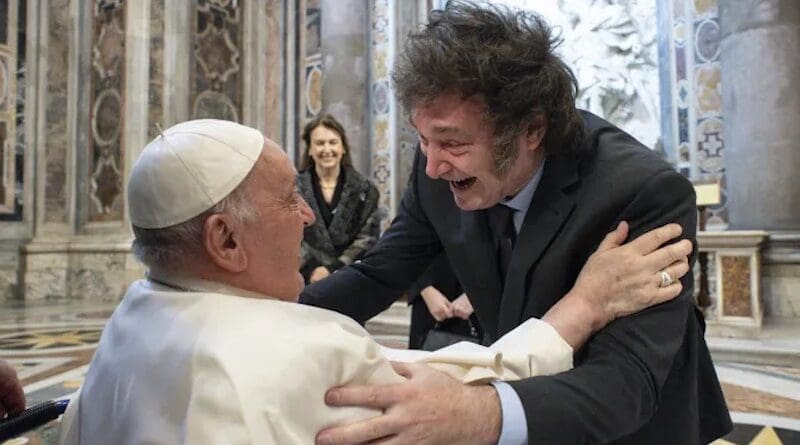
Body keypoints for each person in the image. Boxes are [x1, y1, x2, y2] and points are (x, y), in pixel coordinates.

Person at [57, 119, 691, 444]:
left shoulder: (131, 318)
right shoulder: (301, 351)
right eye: (287, 200)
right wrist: (581, 306)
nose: (306, 214)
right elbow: (461, 386)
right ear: (226, 240)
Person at [300, 2, 732, 444]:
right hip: (522, 405)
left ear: (530, 131)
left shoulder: (642, 193)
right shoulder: (437, 164)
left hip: (631, 425)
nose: (431, 166)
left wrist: (478, 413)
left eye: (451, 143)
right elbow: (378, 274)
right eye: (423, 139)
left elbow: (626, 380)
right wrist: (274, 319)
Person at [298, 114, 381, 284]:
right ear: (310, 149)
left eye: (333, 142)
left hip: (350, 280)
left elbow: (368, 239)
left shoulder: (366, 190)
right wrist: (311, 268)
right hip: (303, 279)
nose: (327, 149)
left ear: (343, 147)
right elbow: (285, 233)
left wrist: (333, 268)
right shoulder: (292, 189)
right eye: (320, 143)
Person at [407, 253, 482, 350]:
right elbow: (405, 249)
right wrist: (424, 288)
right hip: (430, 296)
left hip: (484, 296)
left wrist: (477, 294)